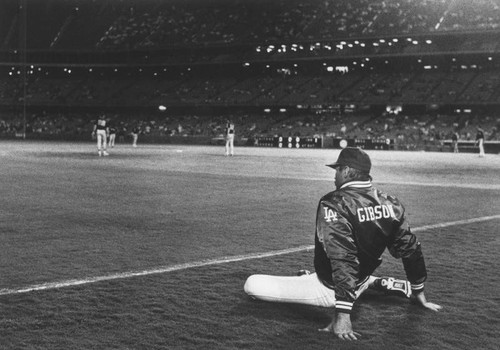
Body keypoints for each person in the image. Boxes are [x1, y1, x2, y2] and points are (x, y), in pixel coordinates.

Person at [244, 147, 442, 341]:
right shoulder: (392, 203)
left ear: (346, 171)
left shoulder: (334, 202)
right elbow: (411, 249)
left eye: (337, 170)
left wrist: (343, 315)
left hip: (333, 290)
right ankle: (374, 282)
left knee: (252, 284)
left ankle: (367, 285)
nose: (334, 175)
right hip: (359, 279)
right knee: (342, 274)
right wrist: (418, 290)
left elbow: (343, 257)